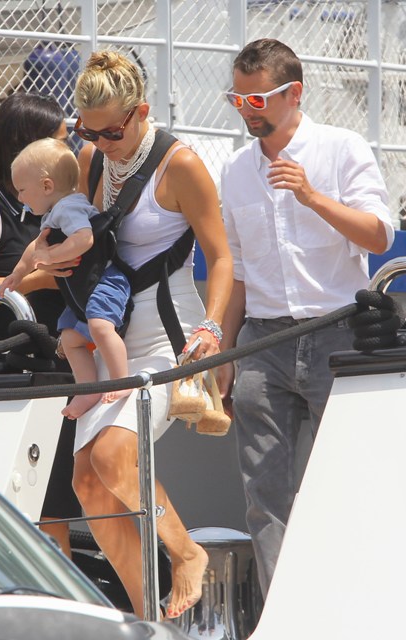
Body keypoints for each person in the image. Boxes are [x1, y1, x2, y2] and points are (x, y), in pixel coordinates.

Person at [35, 50, 233, 619]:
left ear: (141, 112)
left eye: (112, 132)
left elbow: (221, 258)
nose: (101, 142)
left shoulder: (182, 165)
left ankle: (186, 551)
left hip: (169, 333)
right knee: (87, 482)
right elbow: (87, 240)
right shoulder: (93, 158)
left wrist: (213, 327)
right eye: (87, 131)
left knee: (115, 453)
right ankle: (148, 615)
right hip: (111, 334)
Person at [217, 38, 395, 602]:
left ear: (293, 93)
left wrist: (312, 196)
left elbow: (380, 236)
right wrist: (224, 354)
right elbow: (237, 274)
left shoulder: (341, 148)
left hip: (337, 336)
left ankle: (353, 610)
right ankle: (284, 617)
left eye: (257, 99)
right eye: (237, 100)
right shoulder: (235, 171)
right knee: (263, 498)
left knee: (343, 489)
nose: (246, 110)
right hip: (261, 344)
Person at [0, 92, 81, 557]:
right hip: (4, 378)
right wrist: (37, 279)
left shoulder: (62, 209)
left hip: (55, 372)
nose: (69, 150)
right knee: (13, 507)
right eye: (60, 140)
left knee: (54, 505)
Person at [0, 137, 132, 419]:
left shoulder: (68, 208)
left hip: (105, 282)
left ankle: (122, 380)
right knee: (71, 339)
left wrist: (50, 256)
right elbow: (35, 247)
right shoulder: (54, 213)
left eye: (22, 190)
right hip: (85, 290)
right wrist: (18, 272)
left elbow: (84, 239)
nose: (20, 198)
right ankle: (88, 390)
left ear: (47, 186)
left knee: (100, 327)